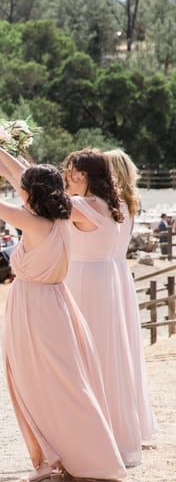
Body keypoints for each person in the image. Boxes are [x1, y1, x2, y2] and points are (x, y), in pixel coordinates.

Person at [0, 144, 126, 482]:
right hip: (56, 303)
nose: (20, 191)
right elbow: (25, 178)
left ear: (30, 194)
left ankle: (54, 458)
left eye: (23, 189)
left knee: (33, 385)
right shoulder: (62, 217)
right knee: (62, 382)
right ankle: (71, 454)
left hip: (34, 308)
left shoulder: (33, 221)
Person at [60, 148, 142, 467]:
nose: (69, 178)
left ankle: (88, 434)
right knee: (113, 352)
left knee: (88, 354)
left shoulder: (88, 206)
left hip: (89, 278)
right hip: (110, 273)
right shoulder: (119, 204)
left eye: (74, 173)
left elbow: (41, 199)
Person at [105, 150, 158, 442]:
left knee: (112, 344)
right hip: (120, 271)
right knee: (124, 344)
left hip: (107, 272)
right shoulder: (130, 202)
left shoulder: (112, 205)